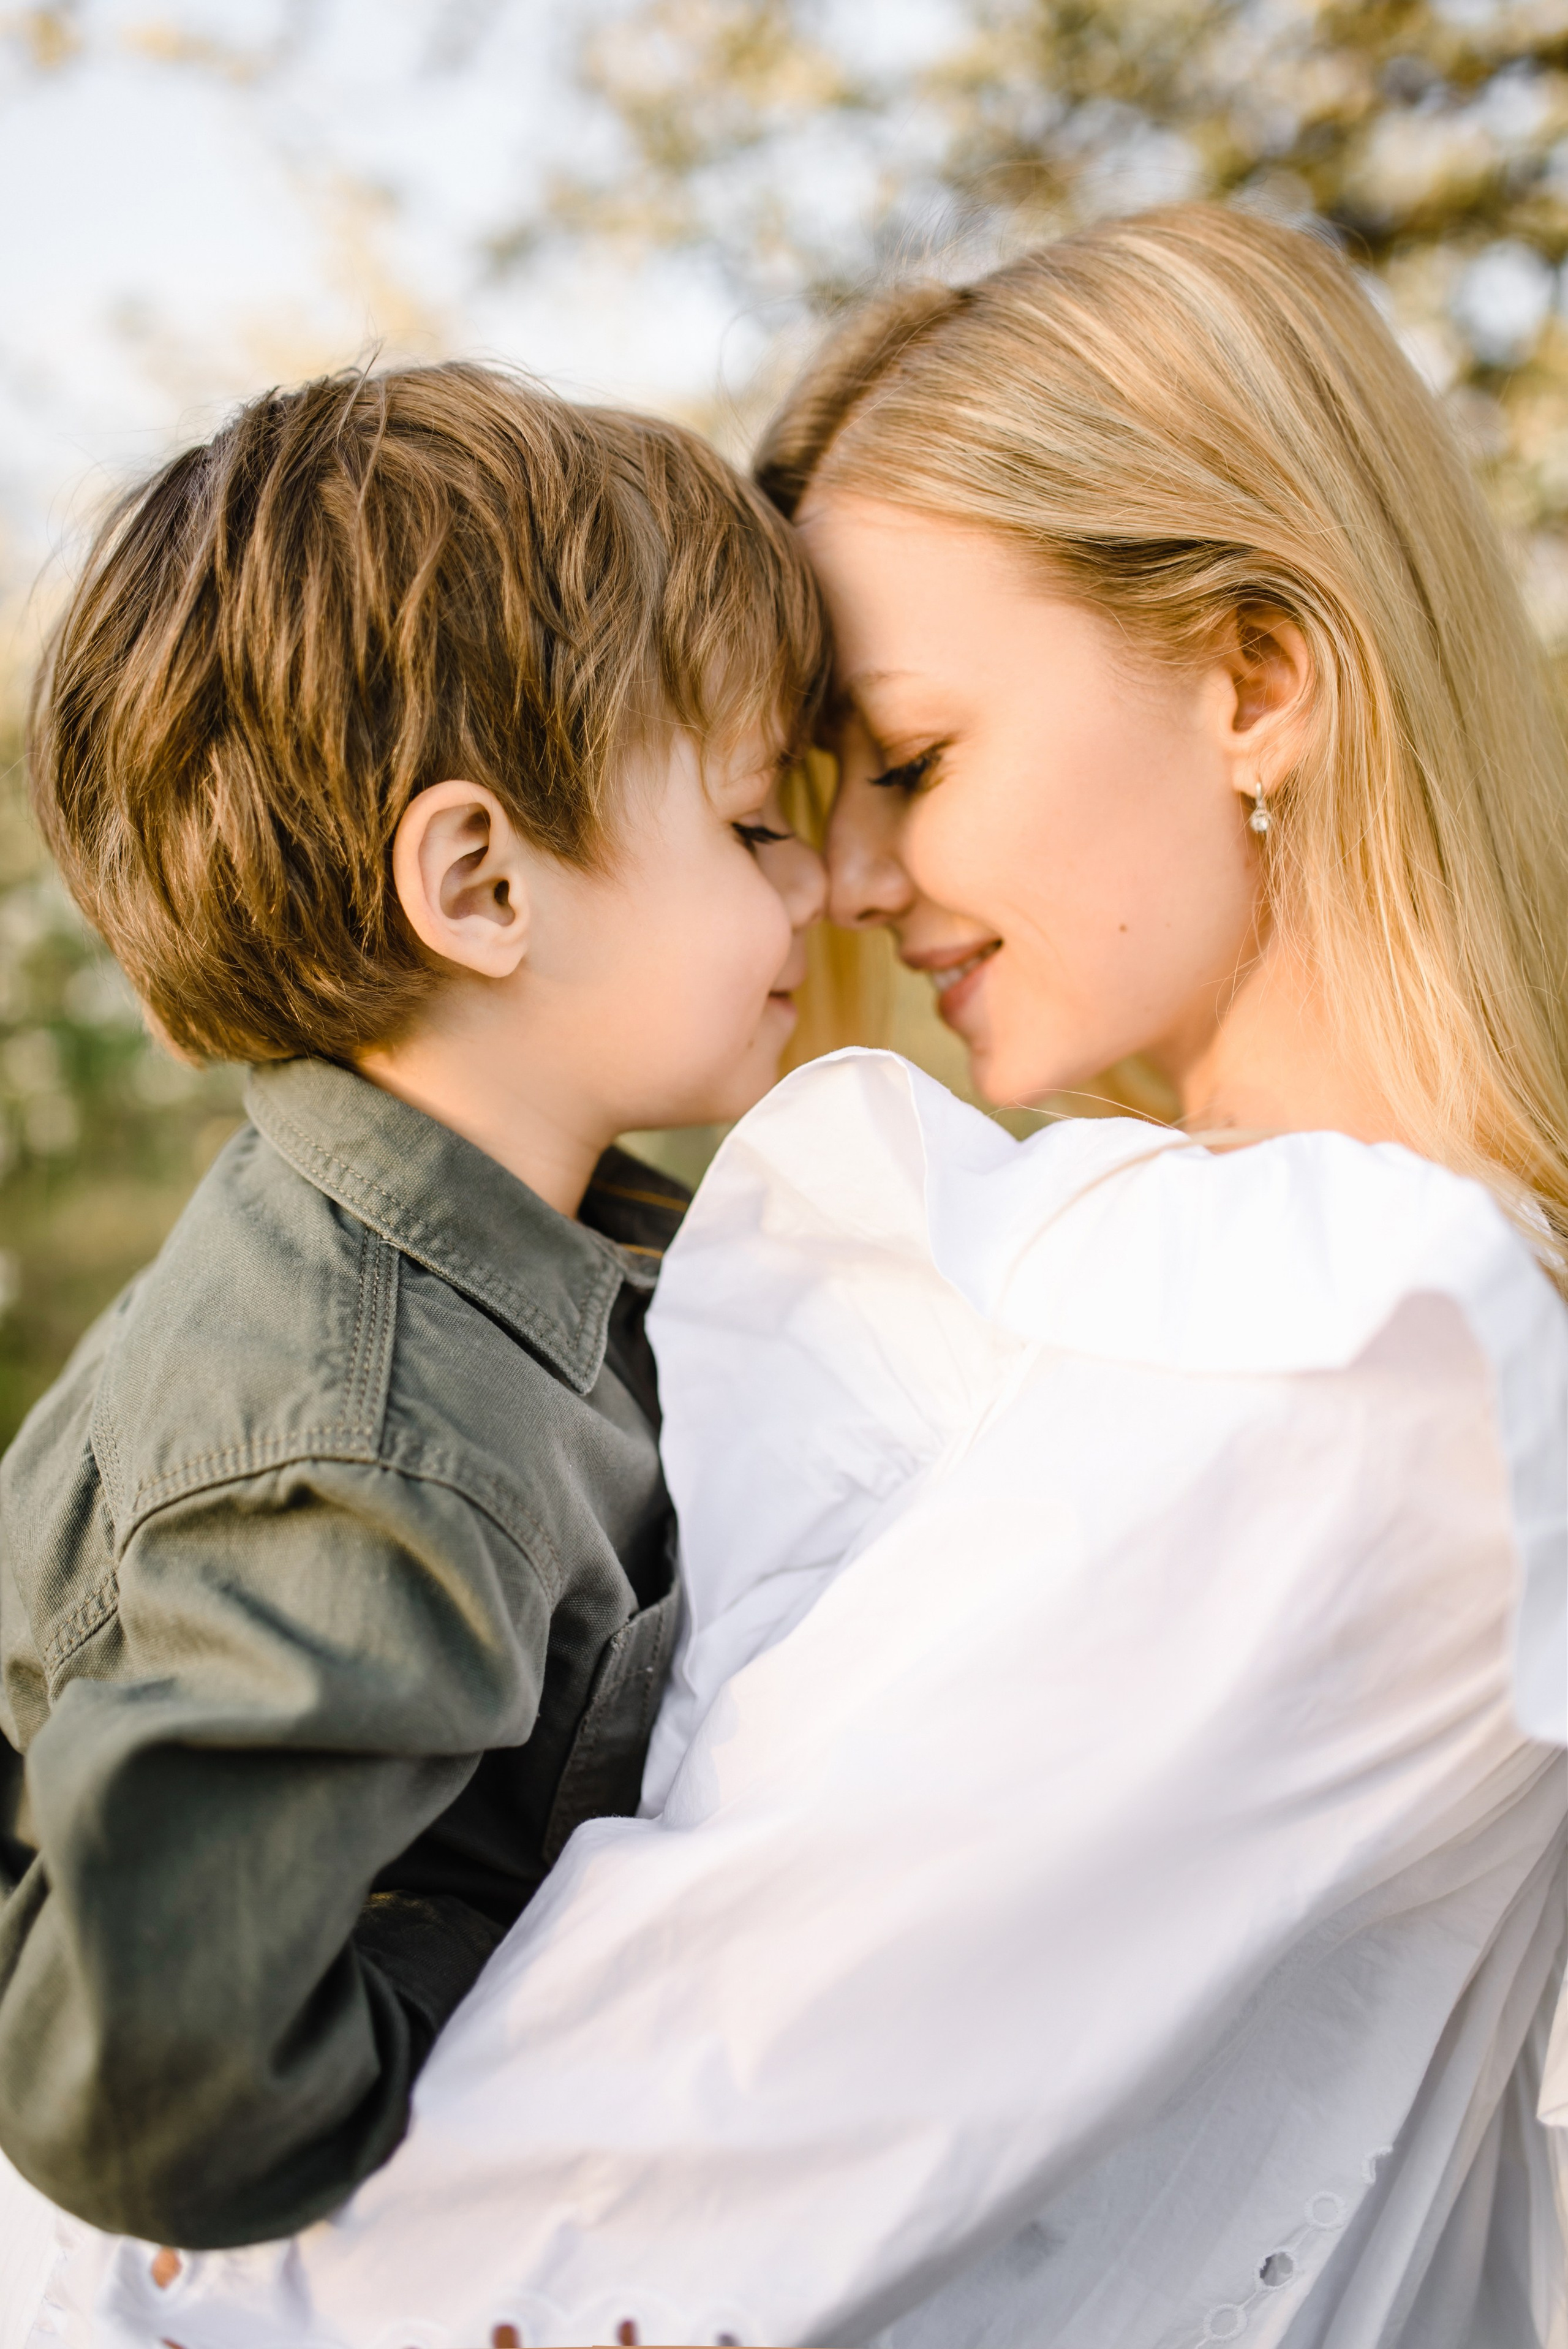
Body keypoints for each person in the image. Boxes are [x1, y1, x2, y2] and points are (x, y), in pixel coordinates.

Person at [9, 206, 1568, 2349]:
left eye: (906, 764)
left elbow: (575, 2212)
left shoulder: (1325, 1335)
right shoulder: (1166, 1284)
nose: (845, 875)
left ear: (1257, 678)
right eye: (792, 801)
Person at [0, 360, 826, 2252]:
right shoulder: (374, 1447)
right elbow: (147, 2082)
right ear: (481, 880)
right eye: (753, 824)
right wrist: (524, 1984)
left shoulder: (502, 1258)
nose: (818, 888)